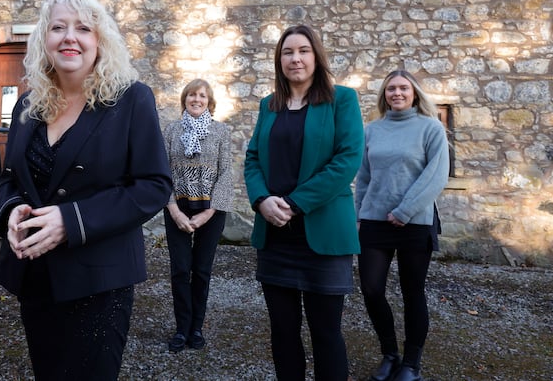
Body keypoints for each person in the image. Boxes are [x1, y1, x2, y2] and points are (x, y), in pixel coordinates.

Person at [0, 0, 172, 380]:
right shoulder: (28, 104)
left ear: (99, 41)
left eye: (83, 29)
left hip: (99, 283)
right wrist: (10, 211)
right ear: (44, 40)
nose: (69, 37)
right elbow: (7, 180)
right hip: (37, 279)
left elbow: (154, 185)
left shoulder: (131, 100)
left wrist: (69, 221)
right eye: (58, 27)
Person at [244, 24, 364, 381]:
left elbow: (347, 160)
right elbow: (252, 160)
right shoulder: (270, 105)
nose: (295, 59)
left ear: (316, 56)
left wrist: (295, 203)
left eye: (303, 51)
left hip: (323, 237)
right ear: (279, 60)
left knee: (326, 335)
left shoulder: (342, 99)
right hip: (275, 237)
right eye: (287, 52)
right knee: (282, 334)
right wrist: (261, 200)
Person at [355, 70, 450, 381]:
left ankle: (411, 364)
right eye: (391, 89)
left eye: (403, 88)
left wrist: (405, 211)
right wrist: (358, 214)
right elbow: (364, 177)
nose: (396, 93)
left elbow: (436, 176)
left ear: (414, 93)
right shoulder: (372, 130)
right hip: (374, 220)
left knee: (413, 292)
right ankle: (390, 354)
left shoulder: (431, 128)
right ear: (384, 95)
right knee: (370, 288)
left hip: (416, 221)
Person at [162, 79, 234, 353]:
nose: (197, 99)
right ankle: (182, 328)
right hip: (177, 210)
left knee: (201, 271)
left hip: (211, 212)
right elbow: (162, 173)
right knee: (180, 270)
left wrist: (208, 213)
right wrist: (174, 211)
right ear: (185, 99)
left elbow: (226, 173)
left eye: (202, 96)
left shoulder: (221, 131)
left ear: (209, 101)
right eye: (192, 95)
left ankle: (196, 328)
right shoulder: (171, 131)